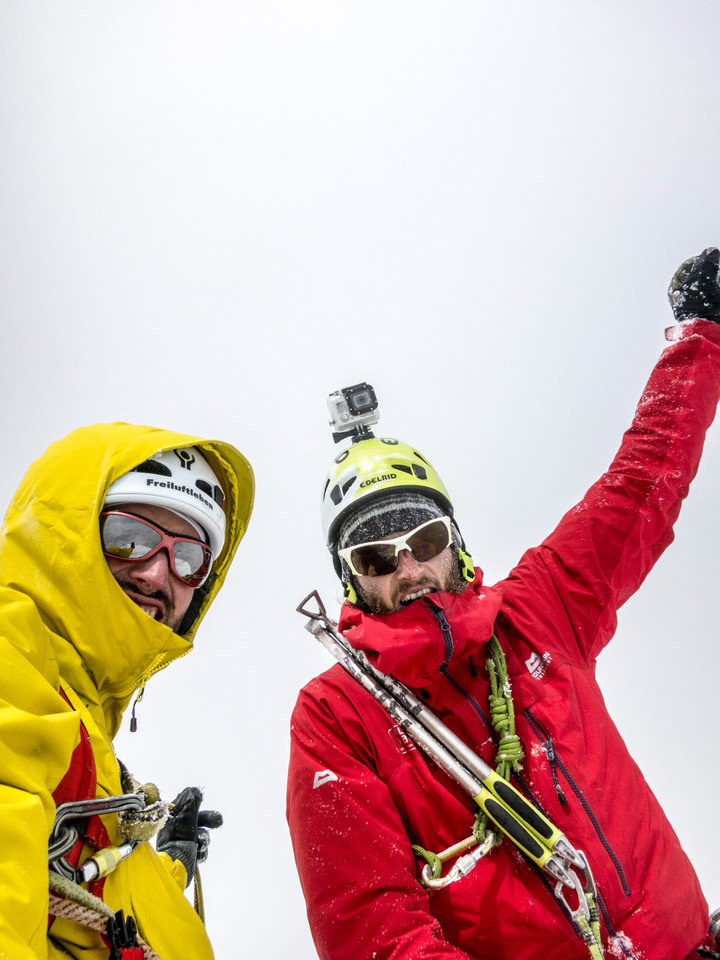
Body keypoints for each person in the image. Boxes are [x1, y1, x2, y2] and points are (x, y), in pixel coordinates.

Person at [287, 248, 720, 960]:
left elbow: (640, 482)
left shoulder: (538, 610)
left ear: (454, 541)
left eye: (423, 538)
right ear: (350, 582)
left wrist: (702, 334)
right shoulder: (336, 718)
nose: (409, 569)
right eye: (375, 556)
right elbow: (378, 934)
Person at [0, 422, 254, 959]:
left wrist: (173, 860)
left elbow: (82, 887)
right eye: (129, 537)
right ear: (67, 528)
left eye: (188, 558)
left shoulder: (81, 714)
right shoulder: (12, 656)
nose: (157, 573)